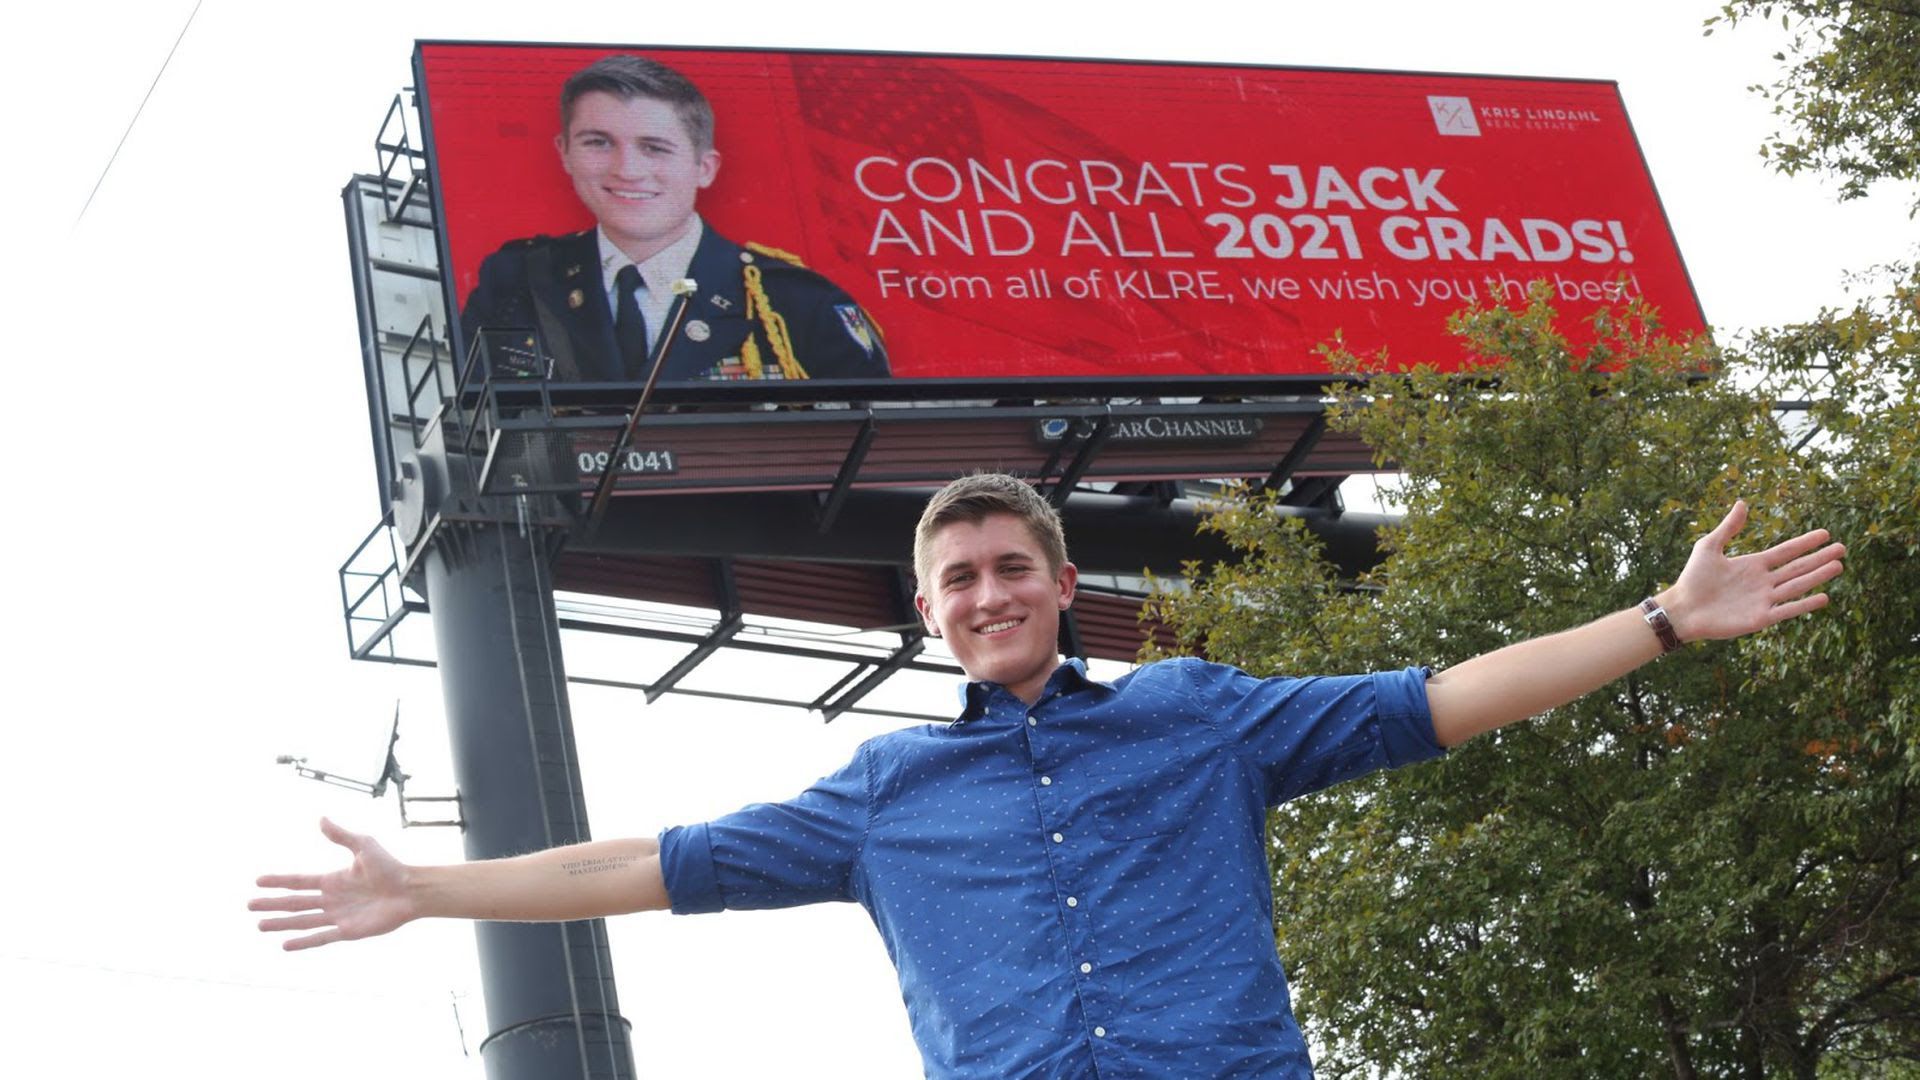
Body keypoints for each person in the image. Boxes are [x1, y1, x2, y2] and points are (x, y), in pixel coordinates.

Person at [253, 473, 1845, 1077]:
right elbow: (639, 867)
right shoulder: (880, 797)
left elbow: (1438, 700)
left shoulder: (1194, 717)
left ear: (1062, 577)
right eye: (956, 582)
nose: (986, 595)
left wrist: (1659, 623)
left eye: (1010, 566)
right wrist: (423, 891)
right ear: (931, 613)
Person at [459, 55, 890, 384]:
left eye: (655, 147)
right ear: (564, 153)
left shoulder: (791, 301)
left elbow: (880, 450)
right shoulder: (518, 279)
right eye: (598, 142)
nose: (626, 170)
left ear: (706, 167)